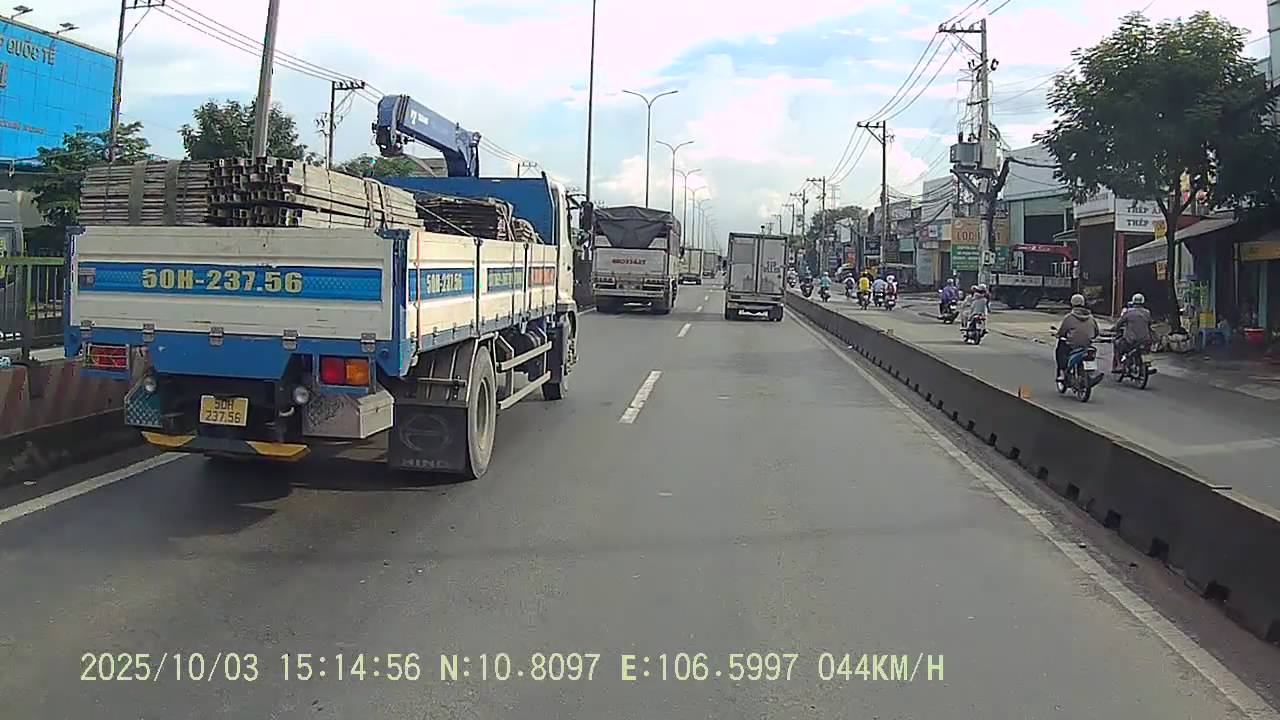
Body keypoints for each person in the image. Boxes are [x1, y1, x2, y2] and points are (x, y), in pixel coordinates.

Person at [1056, 293, 1100, 381]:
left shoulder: (1069, 317)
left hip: (1072, 345)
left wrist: (1058, 335)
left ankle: (1062, 372)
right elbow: (1096, 332)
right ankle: (1091, 374)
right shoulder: (1091, 318)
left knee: (1060, 350)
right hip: (1087, 345)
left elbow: (1062, 332)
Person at [1112, 292, 1154, 371]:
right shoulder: (1147, 312)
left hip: (1131, 340)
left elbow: (1119, 323)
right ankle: (1148, 365)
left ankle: (1119, 364)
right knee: (1146, 351)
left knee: (1117, 345)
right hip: (1145, 339)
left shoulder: (1128, 312)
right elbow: (1150, 323)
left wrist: (1115, 328)